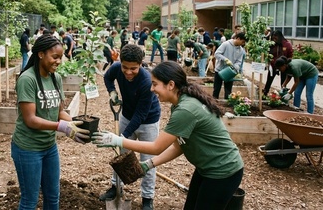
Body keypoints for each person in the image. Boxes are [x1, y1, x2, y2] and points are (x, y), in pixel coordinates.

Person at [93, 61, 244, 210]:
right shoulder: (179, 104)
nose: (151, 89)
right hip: (207, 168)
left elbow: (156, 147)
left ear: (171, 85)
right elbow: (179, 146)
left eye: (155, 84)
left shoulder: (186, 110)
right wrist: (149, 164)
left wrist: (118, 140)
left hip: (223, 171)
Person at [12, 35, 89, 209]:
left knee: (53, 197)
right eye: (55, 57)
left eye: (60, 57)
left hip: (49, 147)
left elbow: (60, 111)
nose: (59, 61)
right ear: (40, 54)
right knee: (29, 201)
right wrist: (62, 127)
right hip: (28, 148)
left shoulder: (56, 78)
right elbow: (30, 120)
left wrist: (78, 125)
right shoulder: (27, 79)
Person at [99, 44, 161, 210]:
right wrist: (112, 92)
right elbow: (107, 77)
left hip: (148, 120)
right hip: (126, 115)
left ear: (141, 64)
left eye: (133, 68)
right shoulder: (117, 67)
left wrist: (122, 137)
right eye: (125, 67)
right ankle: (115, 187)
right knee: (121, 155)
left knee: (147, 160)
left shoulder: (147, 82)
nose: (128, 72)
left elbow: (140, 115)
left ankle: (147, 198)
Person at [213, 32, 246, 99]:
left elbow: (239, 62)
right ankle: (213, 103)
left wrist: (235, 67)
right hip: (220, 70)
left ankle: (227, 104)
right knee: (216, 89)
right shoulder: (226, 44)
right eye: (242, 42)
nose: (243, 44)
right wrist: (225, 59)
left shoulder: (241, 50)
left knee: (228, 91)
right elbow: (217, 54)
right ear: (238, 38)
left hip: (230, 73)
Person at [262, 30, 293, 97]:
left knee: (283, 81)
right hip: (273, 66)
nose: (274, 40)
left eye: (276, 38)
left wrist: (286, 63)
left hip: (284, 66)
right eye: (273, 38)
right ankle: (265, 93)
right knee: (269, 80)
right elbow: (267, 54)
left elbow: (290, 55)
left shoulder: (287, 44)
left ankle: (283, 95)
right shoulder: (271, 45)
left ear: (280, 37)